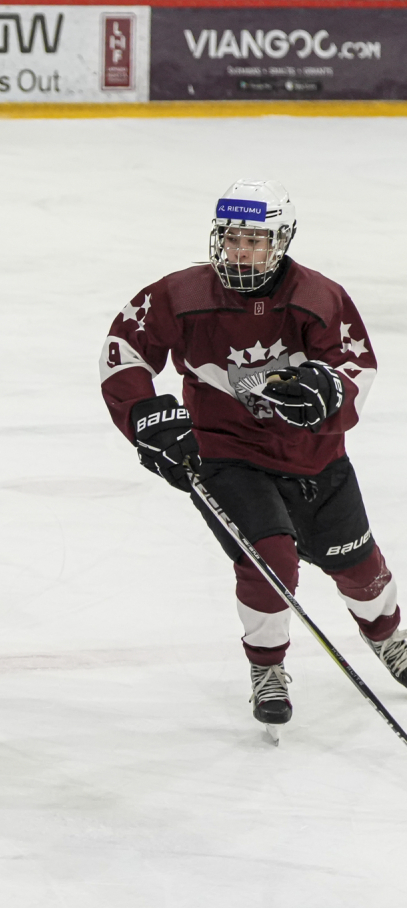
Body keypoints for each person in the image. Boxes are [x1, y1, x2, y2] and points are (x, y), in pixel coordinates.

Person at [101, 180, 406, 732]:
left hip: (315, 459)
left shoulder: (318, 298)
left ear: (281, 241)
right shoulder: (179, 294)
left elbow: (356, 366)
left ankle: (388, 637)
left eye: (255, 241)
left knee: (358, 566)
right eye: (232, 238)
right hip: (226, 455)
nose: (240, 251)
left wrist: (330, 391)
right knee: (270, 559)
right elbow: (122, 352)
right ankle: (266, 667)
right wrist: (145, 414)